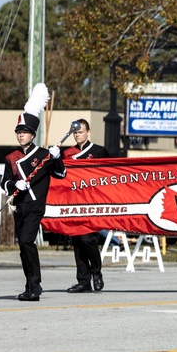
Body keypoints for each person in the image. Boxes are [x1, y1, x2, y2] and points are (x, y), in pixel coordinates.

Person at [0, 84, 65, 301]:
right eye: (19, 132)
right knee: (23, 245)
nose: (21, 135)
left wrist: (58, 157)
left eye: (25, 132)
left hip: (36, 205)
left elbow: (61, 174)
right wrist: (13, 186)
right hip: (19, 204)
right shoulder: (10, 157)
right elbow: (4, 182)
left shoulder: (44, 154)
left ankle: (35, 285)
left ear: (33, 134)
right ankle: (30, 285)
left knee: (27, 241)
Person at [62, 119, 110, 293]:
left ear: (88, 132)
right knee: (76, 241)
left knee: (88, 239)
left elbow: (110, 175)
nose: (77, 135)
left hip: (93, 202)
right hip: (74, 202)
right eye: (75, 133)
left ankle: (96, 272)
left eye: (80, 132)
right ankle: (83, 280)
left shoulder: (99, 151)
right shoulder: (67, 153)